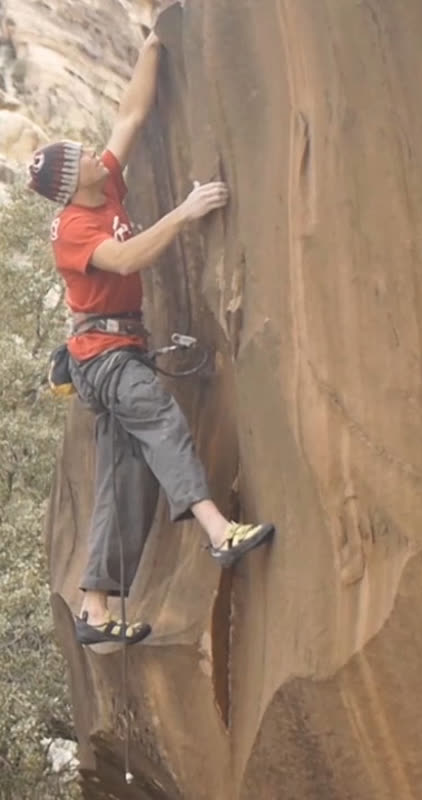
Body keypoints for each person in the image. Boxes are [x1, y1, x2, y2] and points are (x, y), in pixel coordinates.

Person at [28, 24, 274, 646]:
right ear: (70, 183)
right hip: (105, 358)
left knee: (121, 478)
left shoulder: (102, 182)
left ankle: (94, 608)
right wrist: (184, 214)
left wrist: (153, 44)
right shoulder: (75, 228)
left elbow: (131, 116)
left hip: (111, 352)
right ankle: (218, 531)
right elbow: (126, 258)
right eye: (81, 157)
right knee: (161, 419)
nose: (93, 153)